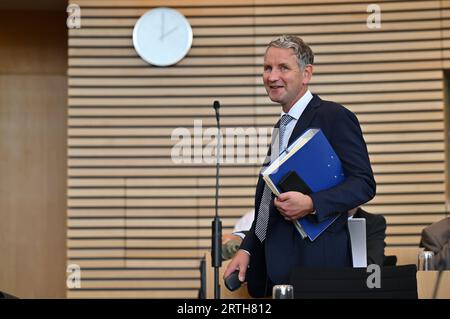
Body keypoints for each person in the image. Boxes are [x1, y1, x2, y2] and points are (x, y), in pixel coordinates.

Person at [223, 35, 376, 298]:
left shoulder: (334, 116)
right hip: (278, 270)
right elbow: (267, 202)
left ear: (306, 74)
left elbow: (363, 183)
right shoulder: (281, 128)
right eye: (267, 68)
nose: (272, 76)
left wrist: (312, 203)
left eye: (283, 67)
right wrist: (247, 249)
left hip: (318, 268)